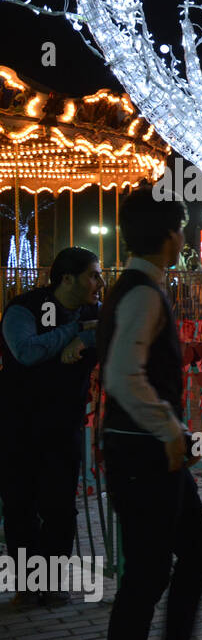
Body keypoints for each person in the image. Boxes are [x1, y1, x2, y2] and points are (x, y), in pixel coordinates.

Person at [98, 190, 202, 640]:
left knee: (196, 552)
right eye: (181, 228)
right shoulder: (143, 294)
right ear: (172, 234)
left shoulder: (138, 288)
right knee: (147, 575)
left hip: (149, 449)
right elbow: (124, 373)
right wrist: (167, 427)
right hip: (143, 450)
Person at [0, 247, 103, 609]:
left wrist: (85, 338)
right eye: (93, 274)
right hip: (17, 423)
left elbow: (117, 335)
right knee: (20, 505)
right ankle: (28, 586)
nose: (99, 283)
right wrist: (74, 331)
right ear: (67, 278)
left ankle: (52, 583)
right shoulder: (23, 309)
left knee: (60, 506)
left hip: (63, 422)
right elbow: (26, 351)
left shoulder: (95, 313)